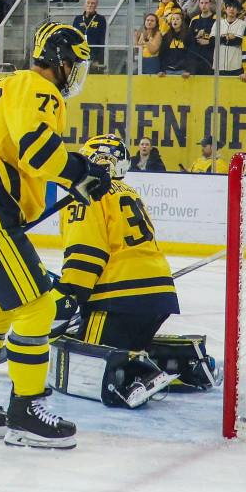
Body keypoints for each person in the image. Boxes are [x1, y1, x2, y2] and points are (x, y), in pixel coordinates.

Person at [0, 24, 110, 448]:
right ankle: (26, 409)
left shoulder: (10, 83)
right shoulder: (38, 86)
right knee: (37, 305)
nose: (74, 74)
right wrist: (81, 172)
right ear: (60, 60)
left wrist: (72, 178)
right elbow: (37, 149)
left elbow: (20, 151)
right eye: (74, 64)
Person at [53, 134, 188, 409]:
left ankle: (138, 374)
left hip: (117, 298)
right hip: (159, 295)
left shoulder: (85, 195)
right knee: (124, 344)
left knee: (85, 365)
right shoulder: (129, 192)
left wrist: (70, 296)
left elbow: (86, 254)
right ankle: (163, 364)